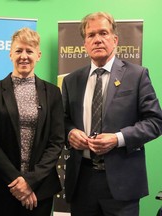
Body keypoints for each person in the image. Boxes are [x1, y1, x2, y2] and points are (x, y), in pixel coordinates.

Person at [62, 11, 162, 216]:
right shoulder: (71, 80)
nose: (97, 39)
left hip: (122, 184)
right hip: (82, 181)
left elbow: (155, 121)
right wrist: (70, 133)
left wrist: (118, 139)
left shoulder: (137, 75)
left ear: (115, 39)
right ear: (84, 44)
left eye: (103, 33)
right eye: (91, 35)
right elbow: (62, 120)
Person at [0, 27, 65, 216]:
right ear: (10, 54)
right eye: (19, 50)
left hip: (39, 190)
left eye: (29, 51)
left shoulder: (52, 93)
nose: (24, 56)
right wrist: (17, 180)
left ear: (39, 55)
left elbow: (56, 141)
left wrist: (31, 182)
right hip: (0, 187)